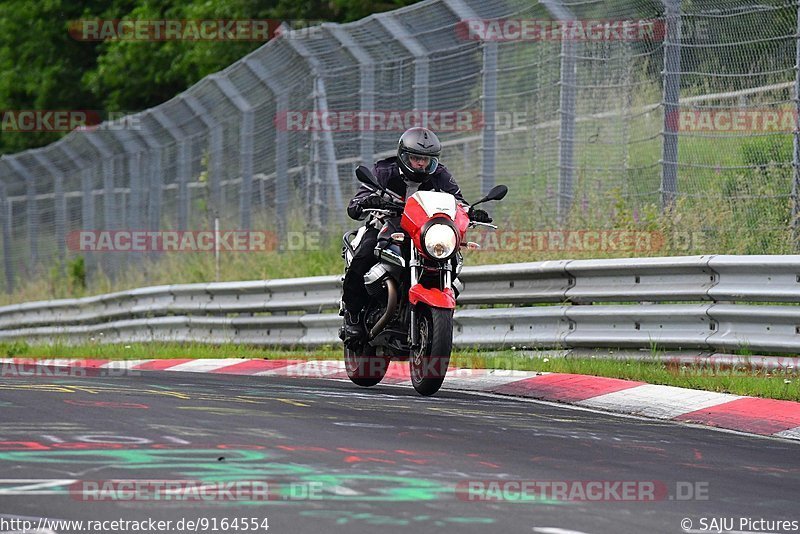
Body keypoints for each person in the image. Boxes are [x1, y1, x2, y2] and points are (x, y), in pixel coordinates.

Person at [339, 127, 492, 345]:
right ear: (403, 156)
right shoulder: (384, 171)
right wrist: (367, 201)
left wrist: (471, 212)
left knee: (451, 255)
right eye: (416, 158)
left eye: (427, 160)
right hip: (386, 224)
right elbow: (355, 204)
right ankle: (353, 316)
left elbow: (458, 202)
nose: (421, 164)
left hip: (424, 231)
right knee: (364, 254)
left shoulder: (441, 176)